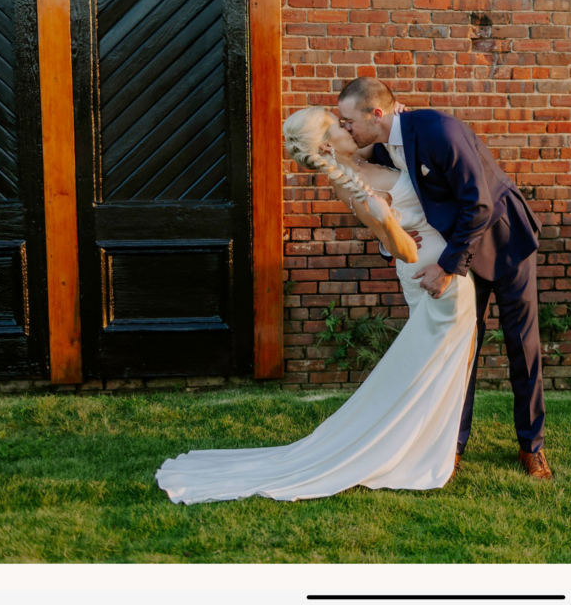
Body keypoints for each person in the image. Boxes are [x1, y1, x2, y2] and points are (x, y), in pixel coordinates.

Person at [155, 106, 479, 503]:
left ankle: (424, 445)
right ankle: (411, 450)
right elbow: (405, 252)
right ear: (327, 144)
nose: (348, 126)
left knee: (435, 364)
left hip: (441, 269)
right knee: (432, 364)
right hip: (431, 278)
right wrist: (388, 222)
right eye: (338, 124)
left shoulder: (372, 155)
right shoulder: (354, 187)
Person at [336, 77, 551, 480]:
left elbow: (480, 203)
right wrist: (396, 241)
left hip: (505, 243)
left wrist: (448, 266)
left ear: (375, 114)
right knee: (460, 348)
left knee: (522, 347)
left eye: (348, 121)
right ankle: (451, 445)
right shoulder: (382, 146)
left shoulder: (440, 131)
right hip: (458, 247)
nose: (346, 129)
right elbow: (401, 208)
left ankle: (531, 447)